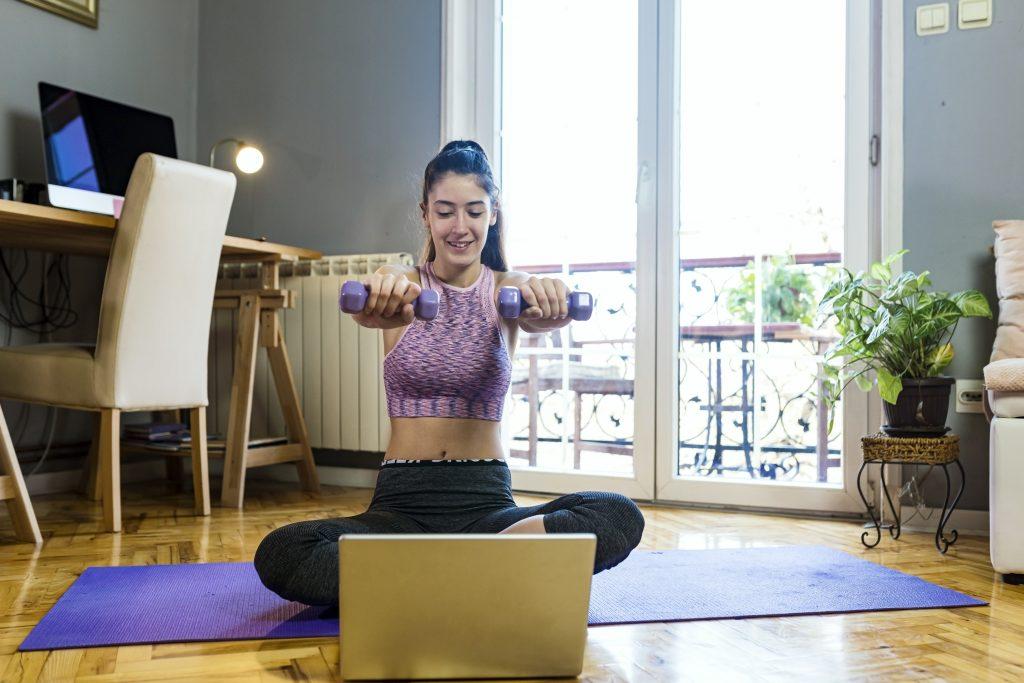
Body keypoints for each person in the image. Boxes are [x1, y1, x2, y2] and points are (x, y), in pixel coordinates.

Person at [254, 140, 645, 606]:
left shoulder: (507, 289)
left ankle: (428, 580)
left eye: (474, 212)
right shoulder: (405, 283)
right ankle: (480, 577)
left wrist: (551, 299)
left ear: (493, 214)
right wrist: (380, 296)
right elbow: (380, 294)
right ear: (425, 214)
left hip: (487, 508)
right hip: (400, 509)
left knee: (617, 514)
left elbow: (538, 311)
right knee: (282, 552)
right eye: (445, 212)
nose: (460, 227)